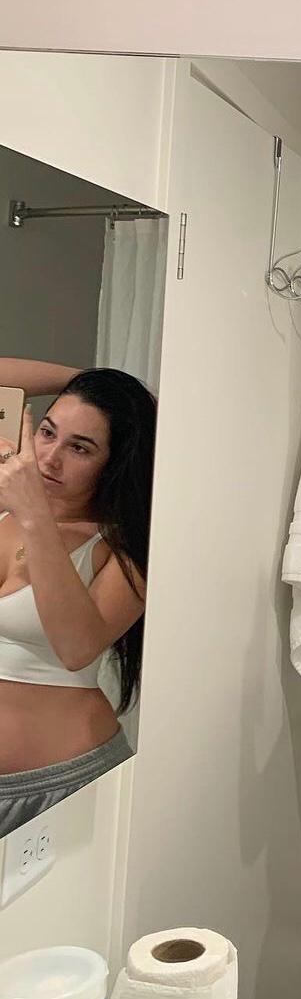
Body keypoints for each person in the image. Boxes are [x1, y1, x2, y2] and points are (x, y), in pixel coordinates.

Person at [0, 358, 155, 839]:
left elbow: (77, 647)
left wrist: (34, 515)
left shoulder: (125, 547)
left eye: (80, 447)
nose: (49, 458)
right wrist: (89, 381)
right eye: (47, 433)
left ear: (114, 463)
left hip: (62, 787)